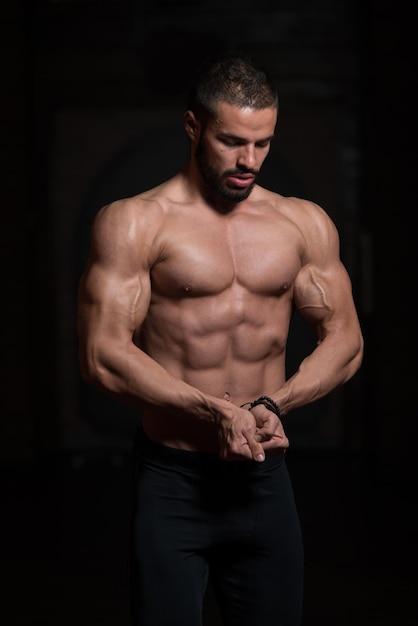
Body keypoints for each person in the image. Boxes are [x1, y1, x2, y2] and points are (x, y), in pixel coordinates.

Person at [76, 51, 364, 626]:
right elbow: (102, 356)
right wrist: (212, 411)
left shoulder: (302, 224)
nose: (249, 160)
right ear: (193, 127)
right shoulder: (136, 222)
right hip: (173, 482)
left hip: (263, 483)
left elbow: (346, 340)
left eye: (263, 143)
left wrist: (270, 405)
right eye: (232, 141)